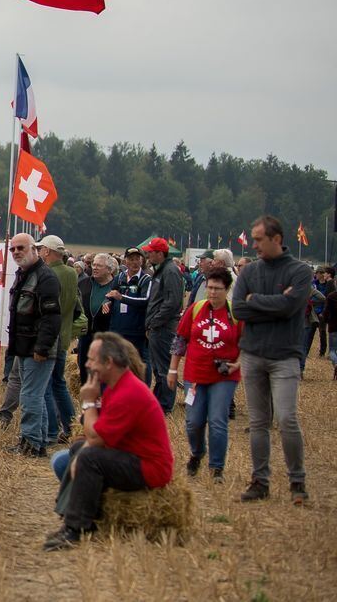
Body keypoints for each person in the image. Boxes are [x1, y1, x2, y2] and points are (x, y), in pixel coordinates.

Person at [43, 332, 174, 551]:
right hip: (132, 456)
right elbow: (95, 434)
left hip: (149, 468)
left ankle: (76, 528)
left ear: (109, 362)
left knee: (88, 457)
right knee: (78, 448)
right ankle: (68, 513)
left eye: (92, 360)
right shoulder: (118, 386)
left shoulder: (129, 392)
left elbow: (95, 437)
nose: (86, 364)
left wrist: (88, 402)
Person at [231, 215, 312, 504]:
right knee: (258, 422)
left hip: (285, 356)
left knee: (287, 419)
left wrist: (256, 301)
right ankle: (260, 481)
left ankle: (297, 481)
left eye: (258, 239)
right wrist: (269, 303)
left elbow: (291, 307)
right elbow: (238, 309)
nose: (253, 245)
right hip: (252, 355)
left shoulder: (300, 271)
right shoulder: (250, 272)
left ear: (276, 239)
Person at [169, 268, 243, 481]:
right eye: (209, 287)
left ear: (227, 289)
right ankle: (197, 453)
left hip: (224, 376)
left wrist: (237, 364)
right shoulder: (196, 308)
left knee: (218, 420)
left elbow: (248, 343)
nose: (212, 292)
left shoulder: (236, 314)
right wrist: (173, 370)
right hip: (195, 374)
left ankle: (216, 467)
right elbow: (180, 340)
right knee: (193, 421)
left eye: (217, 289)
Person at [3, 233, 62, 457]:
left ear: (34, 249)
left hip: (38, 349)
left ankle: (31, 444)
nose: (16, 252)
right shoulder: (23, 274)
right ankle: (40, 440)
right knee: (34, 395)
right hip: (23, 346)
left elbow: (52, 317)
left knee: (30, 397)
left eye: (21, 248)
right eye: (13, 249)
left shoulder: (45, 278)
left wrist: (42, 348)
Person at [37, 235, 78, 446]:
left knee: (45, 386)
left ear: (48, 251)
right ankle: (71, 427)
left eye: (41, 249)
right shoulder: (72, 272)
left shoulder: (49, 274)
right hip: (64, 335)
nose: (38, 252)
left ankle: (51, 430)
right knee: (59, 384)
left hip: (50, 336)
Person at [143, 238, 185, 415]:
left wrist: (155, 321)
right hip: (158, 327)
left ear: (160, 254)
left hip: (164, 328)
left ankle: (166, 404)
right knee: (159, 368)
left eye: (151, 252)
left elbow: (173, 302)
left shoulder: (170, 272)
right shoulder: (161, 271)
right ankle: (159, 401)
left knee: (164, 368)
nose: (148, 254)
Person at [106, 247, 152, 382]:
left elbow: (145, 300)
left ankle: (143, 391)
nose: (135, 262)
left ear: (142, 261)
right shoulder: (119, 277)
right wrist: (107, 302)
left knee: (139, 363)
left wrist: (122, 298)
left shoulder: (146, 279)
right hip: (118, 329)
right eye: (131, 259)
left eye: (137, 259)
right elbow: (110, 295)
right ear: (125, 261)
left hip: (136, 331)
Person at [79, 253, 118, 384]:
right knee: (84, 366)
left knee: (104, 369)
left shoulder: (117, 286)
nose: (94, 268)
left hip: (106, 336)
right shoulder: (83, 283)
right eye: (93, 264)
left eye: (99, 266)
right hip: (86, 334)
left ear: (109, 269)